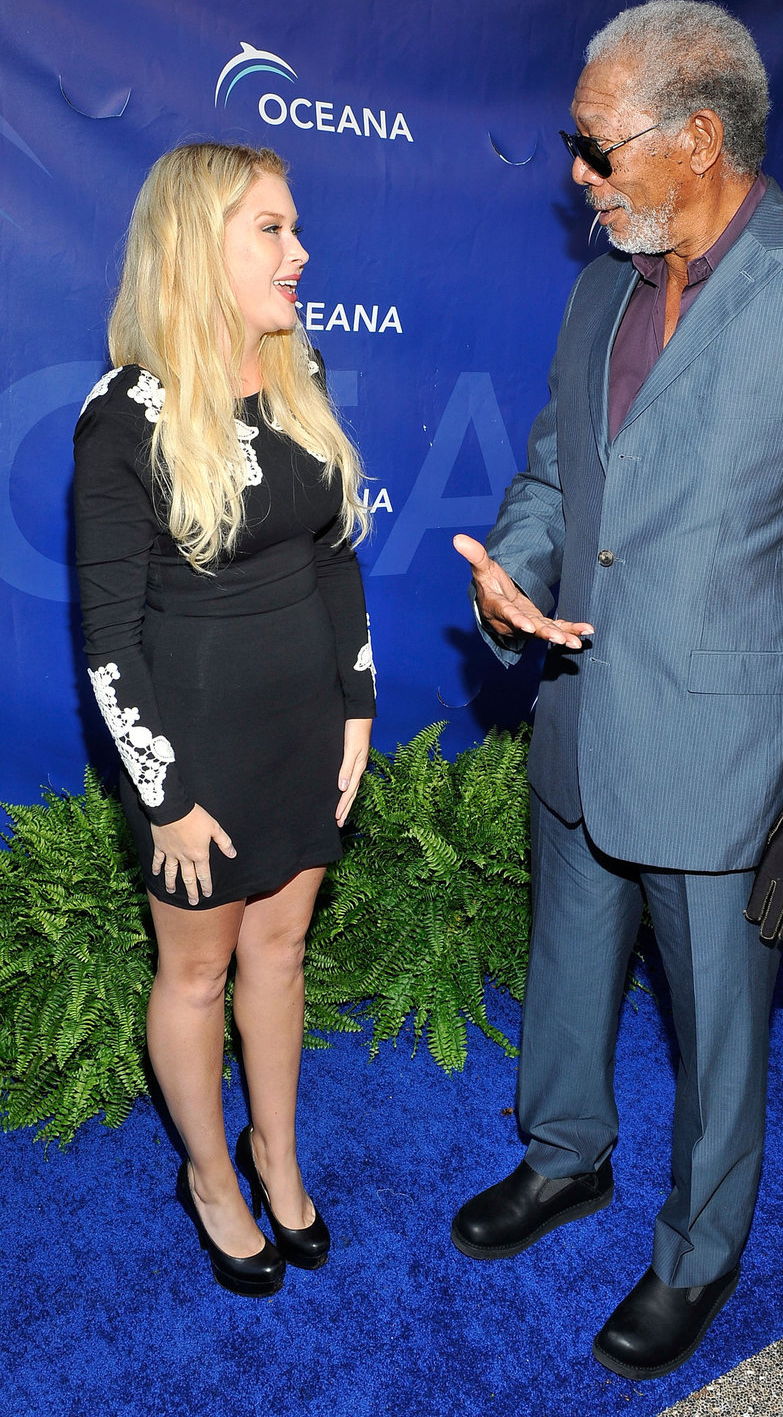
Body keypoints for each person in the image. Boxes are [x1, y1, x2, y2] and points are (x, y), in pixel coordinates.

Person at [452, 0, 783, 1379]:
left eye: (595, 148)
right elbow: (553, 473)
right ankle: (564, 1156)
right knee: (567, 963)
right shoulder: (605, 276)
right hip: (583, 714)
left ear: (698, 138)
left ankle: (699, 1251)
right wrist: (516, 575)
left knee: (723, 1030)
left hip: (731, 760)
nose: (577, 177)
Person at [74, 143, 376, 1297]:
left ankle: (275, 1151)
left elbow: (336, 561)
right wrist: (165, 797)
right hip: (194, 753)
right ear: (200, 245)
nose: (299, 253)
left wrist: (355, 709)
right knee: (194, 976)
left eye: (294, 230)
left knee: (282, 951)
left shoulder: (295, 381)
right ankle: (208, 1176)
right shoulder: (124, 415)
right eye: (271, 231)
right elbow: (107, 641)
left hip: (307, 735)